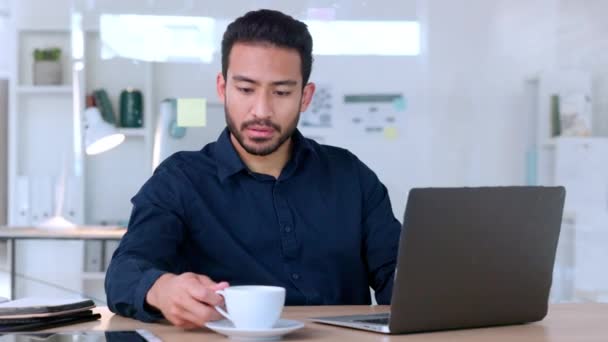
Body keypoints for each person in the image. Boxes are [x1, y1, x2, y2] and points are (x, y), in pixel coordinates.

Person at [105, 9, 401, 329]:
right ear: (223, 88)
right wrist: (161, 289)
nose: (261, 111)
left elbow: (399, 274)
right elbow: (125, 271)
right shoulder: (179, 180)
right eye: (246, 89)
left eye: (282, 92)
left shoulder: (350, 176)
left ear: (305, 96)